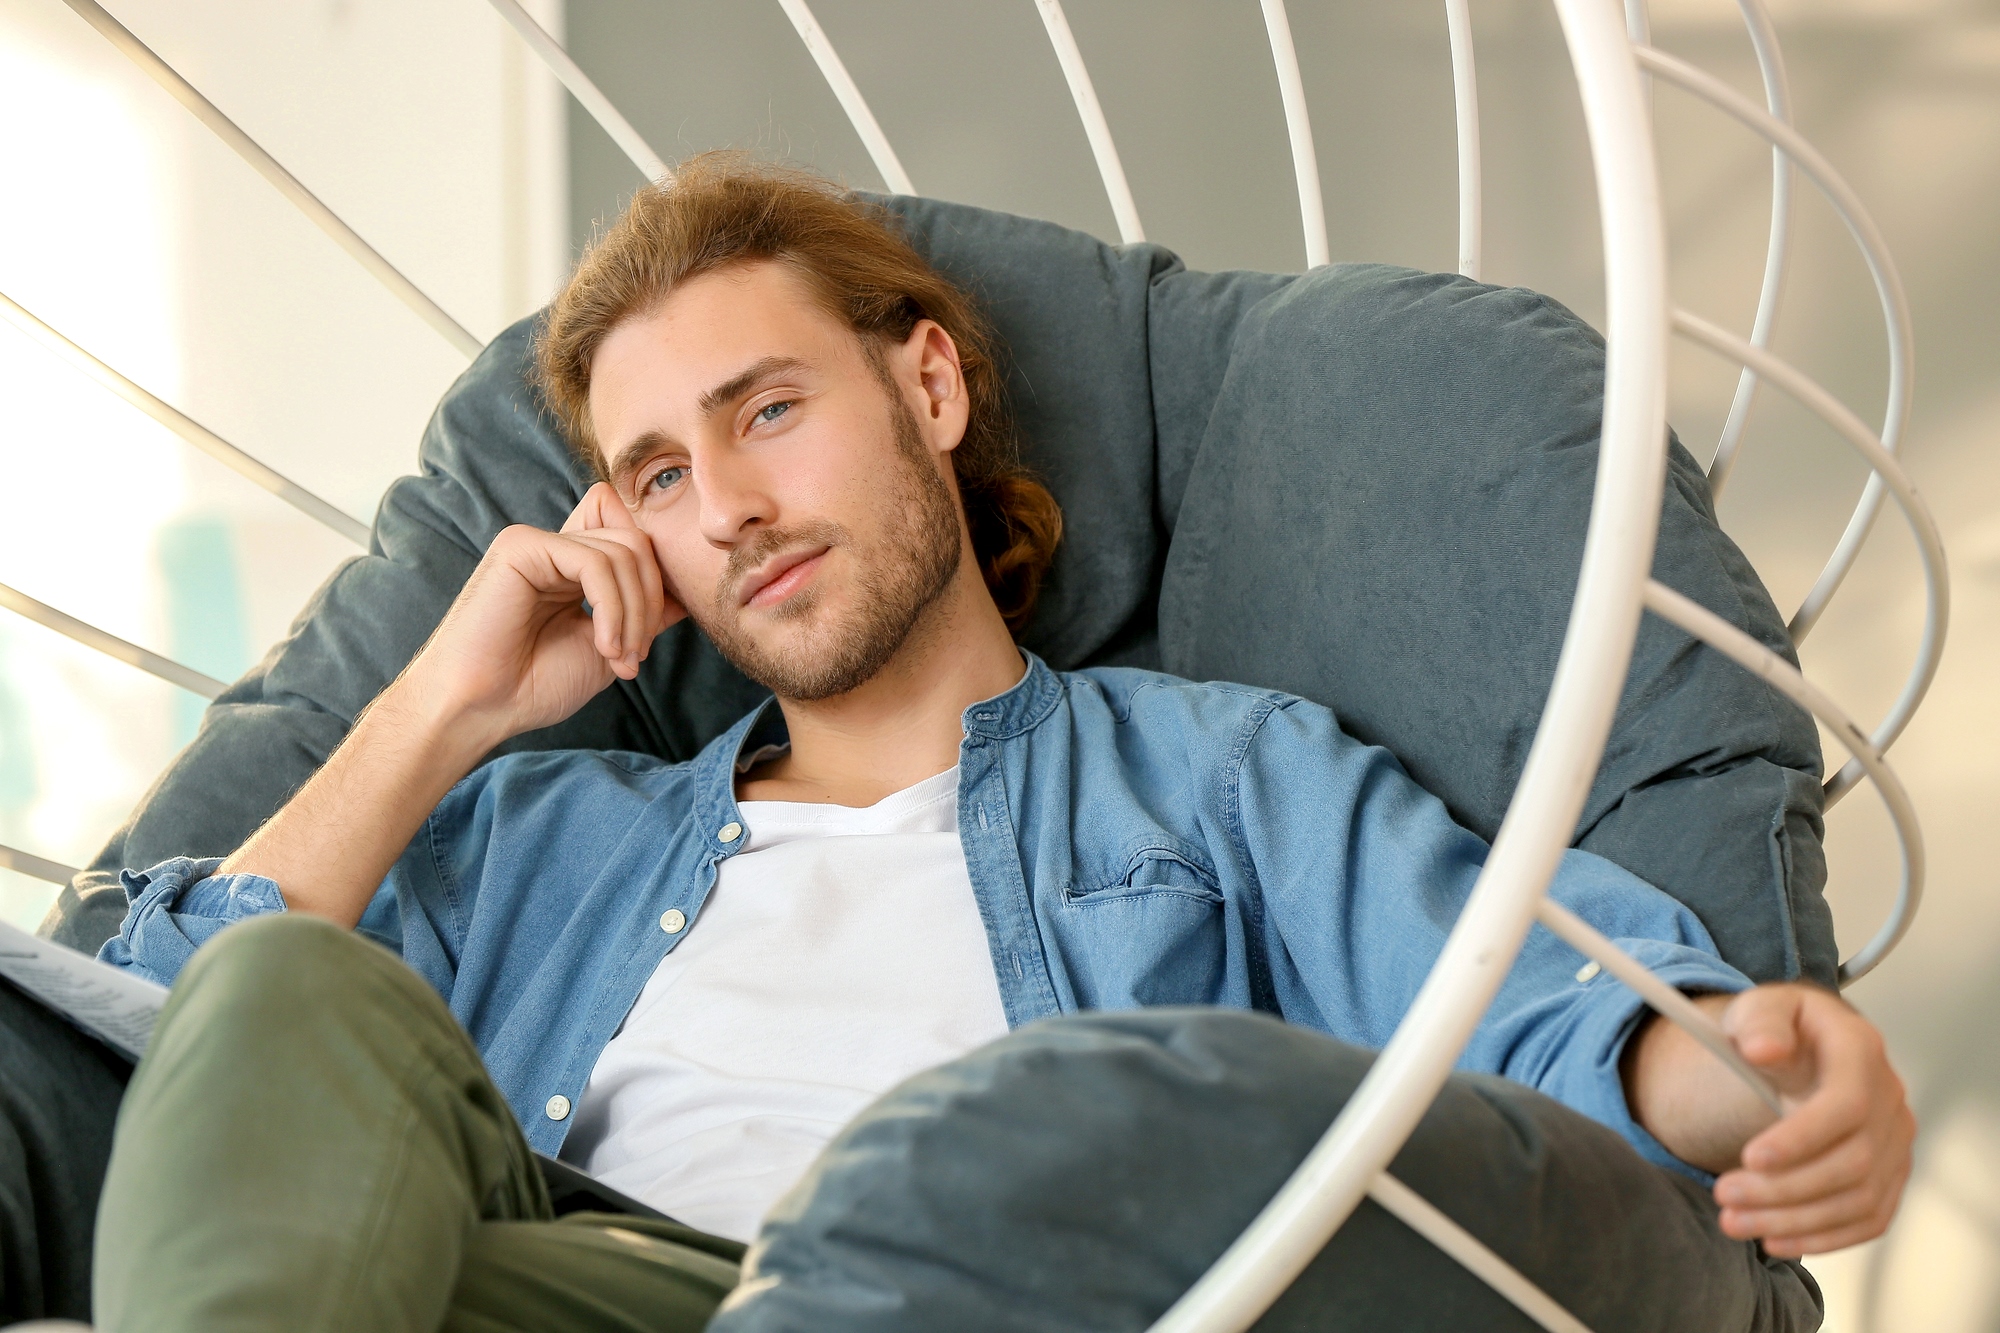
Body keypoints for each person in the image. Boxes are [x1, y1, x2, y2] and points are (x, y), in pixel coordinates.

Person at [5, 154, 1909, 1332]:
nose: (731, 503)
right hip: (588, 1269)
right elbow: (138, 1033)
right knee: (281, 997)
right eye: (660, 470)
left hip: (958, 1285)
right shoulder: (531, 831)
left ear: (927, 381)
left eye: (769, 409)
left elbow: (1518, 1007)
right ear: (622, 534)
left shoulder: (1214, 776)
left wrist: (1767, 1076)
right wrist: (443, 710)